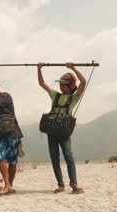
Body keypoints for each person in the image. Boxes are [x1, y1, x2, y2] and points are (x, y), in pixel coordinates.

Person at [37, 62, 86, 194]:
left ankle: (74, 185)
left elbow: (83, 82)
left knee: (68, 156)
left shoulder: (74, 98)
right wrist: (39, 69)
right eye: (60, 84)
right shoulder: (55, 95)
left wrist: (73, 68)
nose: (60, 86)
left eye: (63, 84)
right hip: (52, 131)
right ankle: (60, 185)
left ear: (71, 86)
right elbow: (42, 83)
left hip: (64, 132)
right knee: (54, 157)